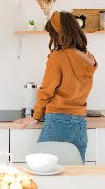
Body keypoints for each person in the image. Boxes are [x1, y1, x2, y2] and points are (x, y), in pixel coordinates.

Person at [14, 11, 97, 163]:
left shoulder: (58, 57)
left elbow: (46, 92)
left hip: (58, 122)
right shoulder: (88, 58)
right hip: (80, 124)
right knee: (75, 175)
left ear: (59, 34)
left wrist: (36, 117)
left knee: (40, 168)